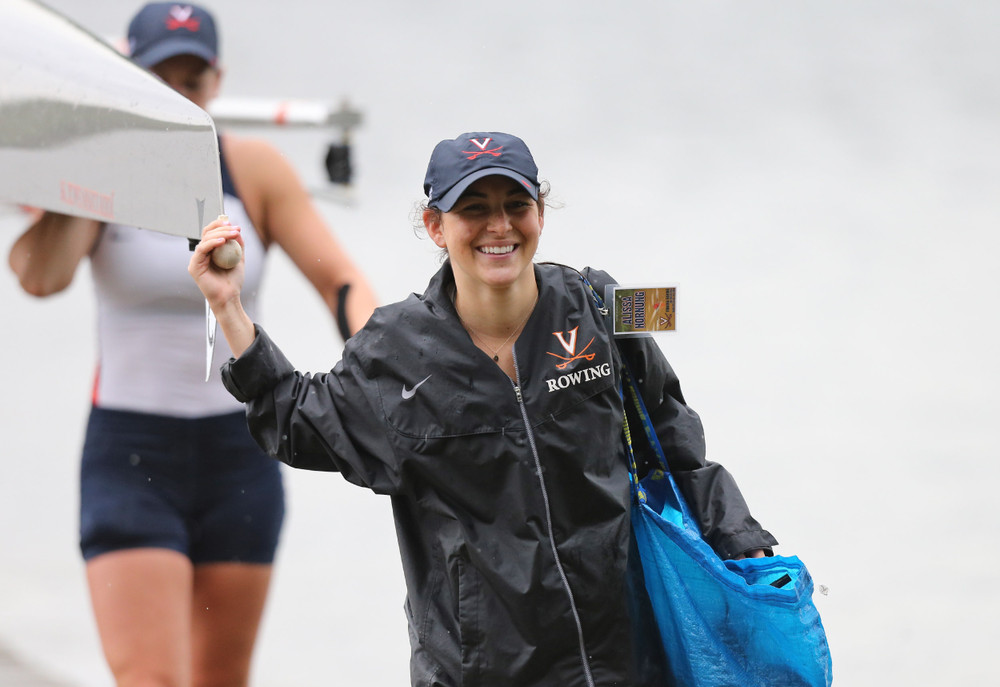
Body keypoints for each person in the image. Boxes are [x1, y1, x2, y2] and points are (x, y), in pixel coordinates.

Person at [189, 131, 777, 686]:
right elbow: (293, 418)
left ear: (540, 213)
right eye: (473, 209)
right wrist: (229, 307)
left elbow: (673, 435)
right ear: (435, 226)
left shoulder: (602, 301)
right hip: (479, 671)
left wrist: (741, 542)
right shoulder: (393, 349)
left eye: (516, 205)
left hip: (627, 659)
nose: (499, 226)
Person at [8, 3, 377, 687]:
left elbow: (343, 283)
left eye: (192, 79)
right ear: (128, 79)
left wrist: (391, 370)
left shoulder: (255, 170)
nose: (178, 95)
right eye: (160, 79)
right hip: (131, 456)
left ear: (217, 80)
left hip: (241, 455)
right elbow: (39, 278)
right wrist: (82, 172)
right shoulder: (99, 174)